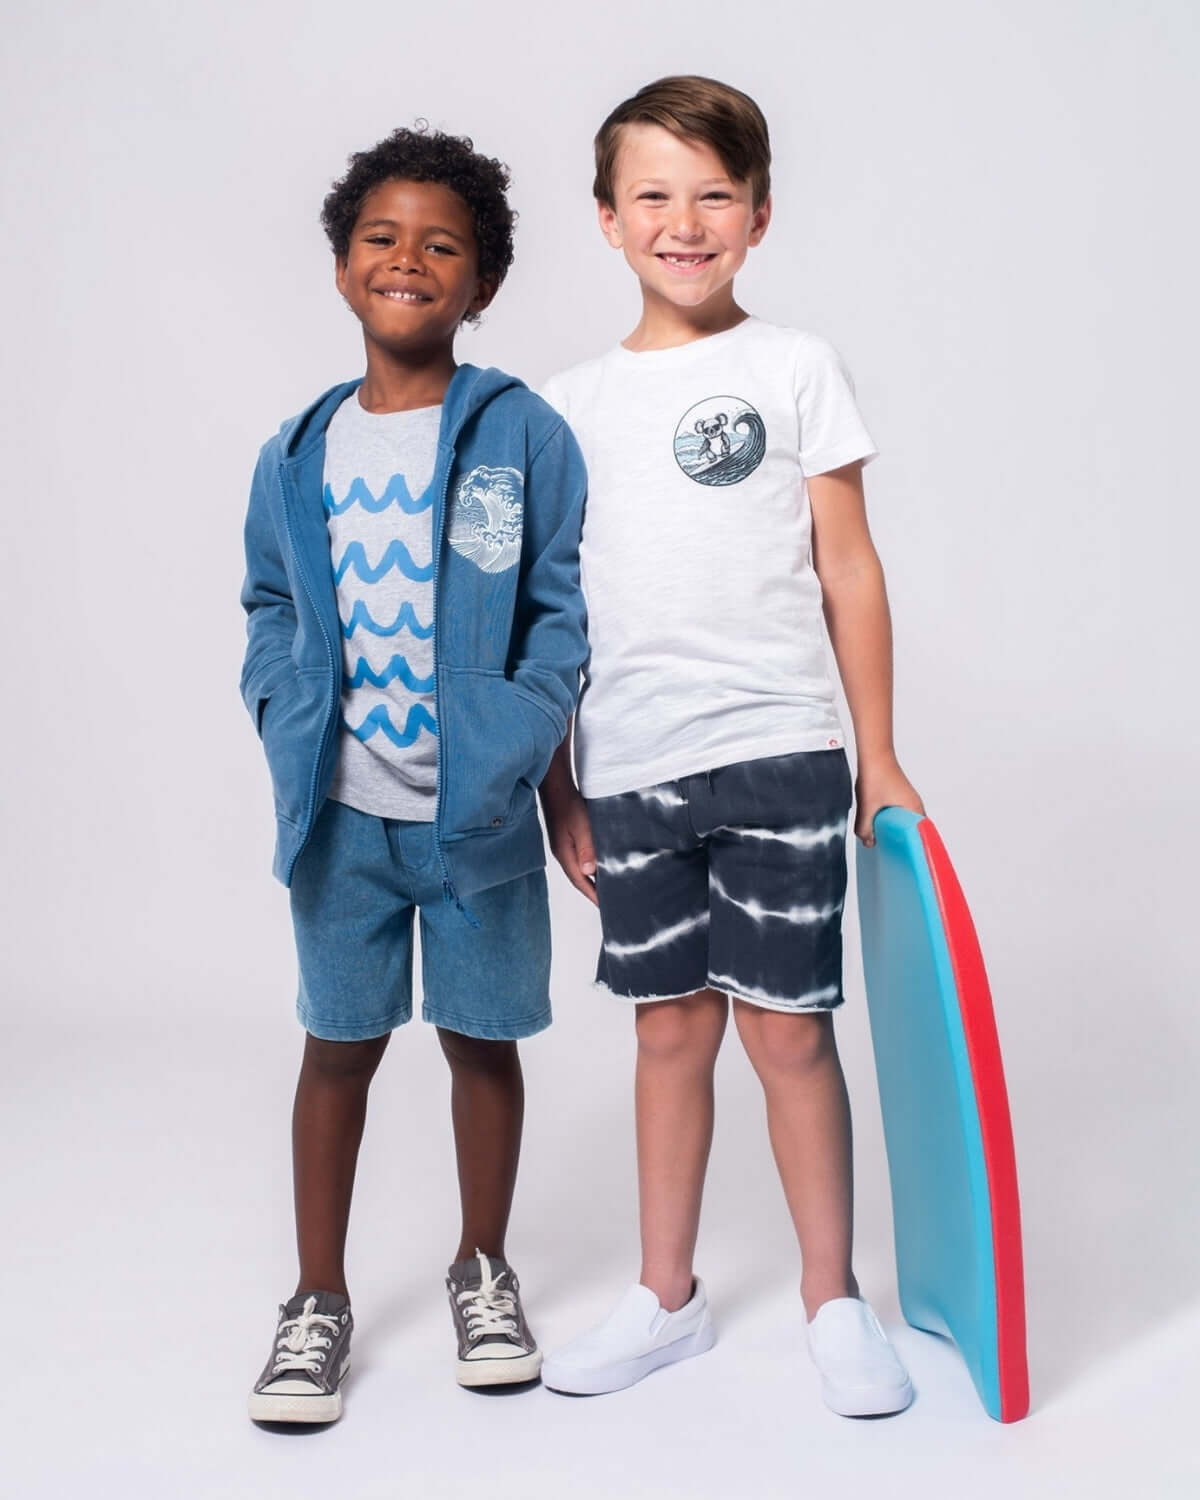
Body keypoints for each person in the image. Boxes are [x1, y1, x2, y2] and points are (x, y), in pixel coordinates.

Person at [537, 76, 922, 1417]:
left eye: (713, 195)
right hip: (633, 765)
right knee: (667, 1034)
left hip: (781, 753)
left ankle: (834, 1300)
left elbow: (850, 570)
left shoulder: (794, 366)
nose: (683, 221)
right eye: (653, 194)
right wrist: (558, 783)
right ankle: (665, 1298)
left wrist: (877, 755)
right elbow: (550, 610)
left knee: (790, 1036)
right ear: (606, 219)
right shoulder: (564, 406)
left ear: (758, 215)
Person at [239, 125, 586, 1423]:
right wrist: (285, 708)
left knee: (481, 1041)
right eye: (381, 238)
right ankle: (316, 1301)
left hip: (479, 819)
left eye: (442, 244)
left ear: (481, 284)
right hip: (341, 822)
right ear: (342, 268)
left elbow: (556, 614)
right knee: (338, 1048)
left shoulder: (518, 436)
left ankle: (483, 1268)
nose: (408, 259)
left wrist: (523, 762)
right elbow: (269, 603)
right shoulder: (296, 453)